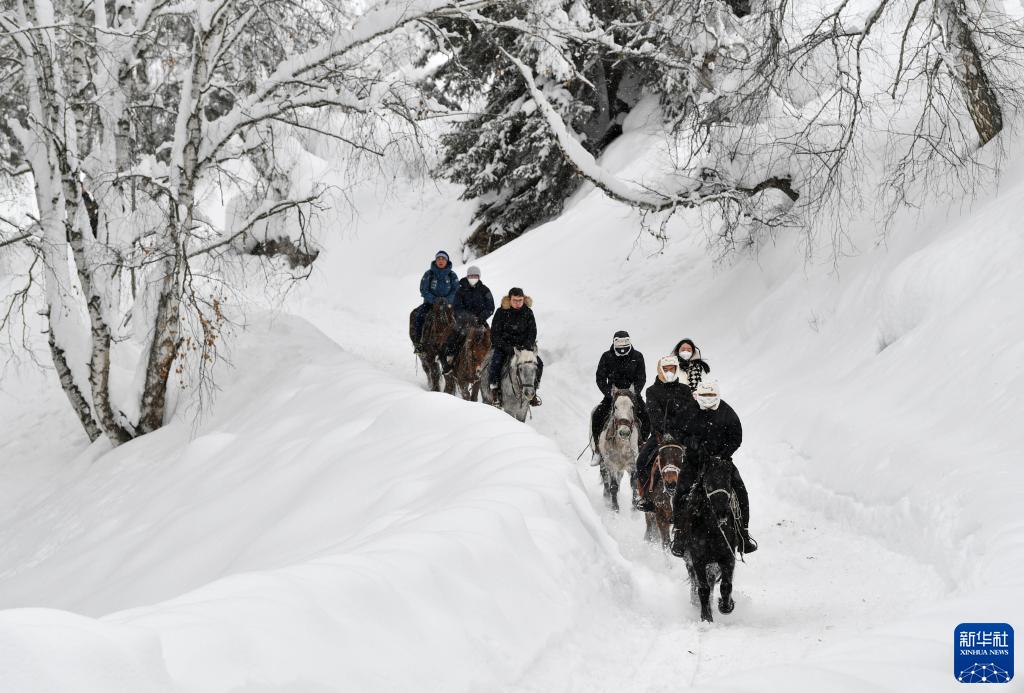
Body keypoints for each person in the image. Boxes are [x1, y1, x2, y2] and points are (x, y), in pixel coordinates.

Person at [669, 378, 757, 556]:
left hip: (721, 462)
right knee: (681, 491)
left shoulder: (727, 411)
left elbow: (736, 437)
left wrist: (722, 453)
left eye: (711, 395)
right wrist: (689, 442)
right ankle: (679, 533)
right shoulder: (688, 410)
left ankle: (743, 534)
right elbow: (675, 429)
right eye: (704, 395)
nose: (708, 398)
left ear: (717, 395)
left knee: (740, 491)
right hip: (694, 461)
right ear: (697, 395)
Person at [633, 355, 701, 511]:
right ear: (660, 370)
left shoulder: (685, 390)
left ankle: (700, 493)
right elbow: (654, 415)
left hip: (683, 436)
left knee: (700, 456)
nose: (669, 372)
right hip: (659, 436)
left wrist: (683, 430)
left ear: (677, 370)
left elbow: (690, 413)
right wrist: (667, 429)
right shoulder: (651, 391)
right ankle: (645, 497)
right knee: (641, 462)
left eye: (672, 369)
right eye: (666, 369)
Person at [590, 331, 650, 463]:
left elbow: (642, 377)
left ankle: (642, 444)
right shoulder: (606, 356)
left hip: (632, 395)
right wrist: (609, 393)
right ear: (614, 342)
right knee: (597, 415)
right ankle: (598, 451)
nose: (622, 346)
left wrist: (634, 393)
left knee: (646, 415)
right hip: (612, 396)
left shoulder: (638, 356)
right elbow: (600, 378)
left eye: (625, 342)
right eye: (619, 342)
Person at [488, 287, 543, 407]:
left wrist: (527, 345)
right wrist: (507, 347)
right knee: (496, 363)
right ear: (509, 299)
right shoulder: (501, 312)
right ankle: (495, 391)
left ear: (524, 299)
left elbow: (532, 331)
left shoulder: (528, 312)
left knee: (539, 363)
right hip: (504, 347)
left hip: (524, 348)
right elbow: (495, 334)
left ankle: (533, 391)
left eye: (520, 300)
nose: (518, 303)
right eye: (515, 300)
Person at [442, 266, 495, 373]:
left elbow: (490, 307)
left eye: (475, 276)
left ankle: (490, 365)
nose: (473, 278)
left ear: (479, 277)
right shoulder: (460, 290)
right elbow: (457, 307)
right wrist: (468, 317)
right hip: (463, 322)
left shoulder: (485, 290)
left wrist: (481, 317)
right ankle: (450, 362)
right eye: (471, 276)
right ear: (467, 276)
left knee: (491, 340)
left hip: (481, 322)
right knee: (453, 338)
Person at [412, 250, 459, 354]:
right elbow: (423, 290)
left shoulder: (452, 275)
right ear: (435, 260)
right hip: (430, 304)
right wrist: (434, 300)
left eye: (443, 259)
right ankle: (418, 343)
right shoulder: (429, 274)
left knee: (457, 321)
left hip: (448, 305)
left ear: (447, 261)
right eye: (438, 259)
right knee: (420, 317)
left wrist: (447, 300)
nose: (441, 261)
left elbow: (456, 290)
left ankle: (454, 347)